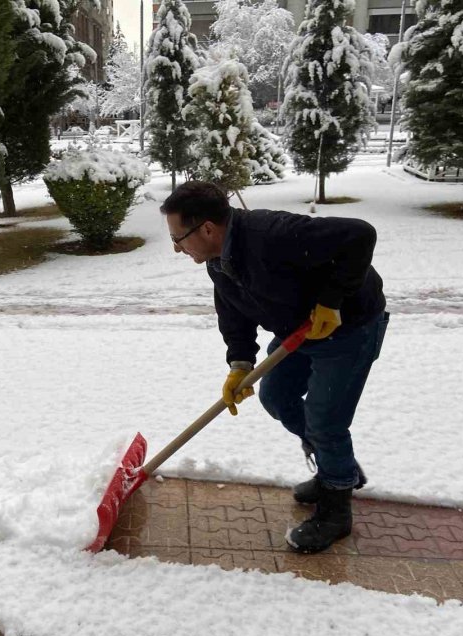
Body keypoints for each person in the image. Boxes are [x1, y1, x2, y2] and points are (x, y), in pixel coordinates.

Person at [161, 181, 388, 553]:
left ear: (206, 229)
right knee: (278, 396)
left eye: (178, 237)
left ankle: (336, 509)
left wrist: (331, 301)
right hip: (297, 330)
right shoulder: (218, 261)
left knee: (325, 420)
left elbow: (359, 235)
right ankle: (339, 468)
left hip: (349, 328)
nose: (176, 248)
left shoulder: (273, 234)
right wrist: (240, 363)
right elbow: (232, 311)